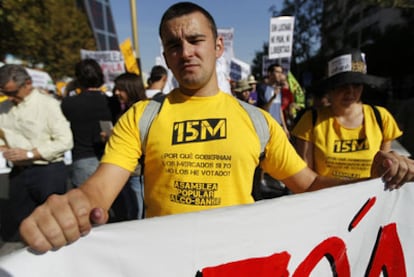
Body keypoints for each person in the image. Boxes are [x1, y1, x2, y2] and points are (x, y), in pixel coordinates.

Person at [19, 2, 414, 253]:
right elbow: (97, 191)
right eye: (174, 46)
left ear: (217, 46)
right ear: (166, 57)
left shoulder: (256, 120)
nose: (186, 52)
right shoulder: (142, 115)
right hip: (165, 262)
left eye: (195, 40)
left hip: (238, 259)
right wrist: (69, 208)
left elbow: (308, 184)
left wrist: (372, 179)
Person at [291, 49, 403, 179]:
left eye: (356, 85)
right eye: (342, 85)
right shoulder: (310, 121)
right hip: (326, 198)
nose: (350, 91)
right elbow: (305, 179)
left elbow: (383, 173)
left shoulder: (382, 118)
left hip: (369, 198)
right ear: (330, 88)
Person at [0, 64, 73, 241]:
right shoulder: (4, 107)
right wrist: (4, 148)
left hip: (48, 172)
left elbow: (65, 141)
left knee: (53, 222)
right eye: (5, 93)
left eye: (13, 92)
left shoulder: (47, 105)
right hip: (19, 173)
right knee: (23, 222)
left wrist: (31, 154)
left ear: (28, 84)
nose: (10, 98)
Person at [61, 59, 113, 188]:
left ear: (78, 79)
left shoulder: (69, 103)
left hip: (82, 159)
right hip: (110, 157)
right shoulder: (112, 102)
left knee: (85, 205)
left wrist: (70, 89)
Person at [104, 72, 147, 220]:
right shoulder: (123, 111)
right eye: (116, 88)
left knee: (139, 214)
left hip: (138, 174)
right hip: (126, 173)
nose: (116, 93)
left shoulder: (144, 112)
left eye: (120, 89)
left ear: (131, 88)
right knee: (131, 211)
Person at [257, 63, 290, 138]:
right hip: (267, 128)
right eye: (277, 72)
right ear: (270, 73)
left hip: (278, 127)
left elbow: (279, 109)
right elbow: (264, 110)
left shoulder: (278, 89)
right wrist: (273, 97)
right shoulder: (262, 88)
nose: (280, 75)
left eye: (281, 72)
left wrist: (284, 127)